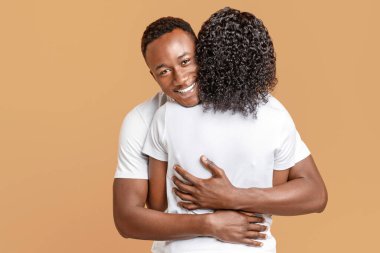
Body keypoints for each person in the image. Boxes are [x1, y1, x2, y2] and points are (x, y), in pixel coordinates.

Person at [113, 10, 327, 253]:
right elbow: (129, 218)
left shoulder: (266, 110)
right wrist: (211, 223)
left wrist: (234, 197)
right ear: (153, 75)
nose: (181, 79)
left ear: (204, 55)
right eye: (164, 71)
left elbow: (315, 193)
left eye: (186, 61)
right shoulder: (144, 119)